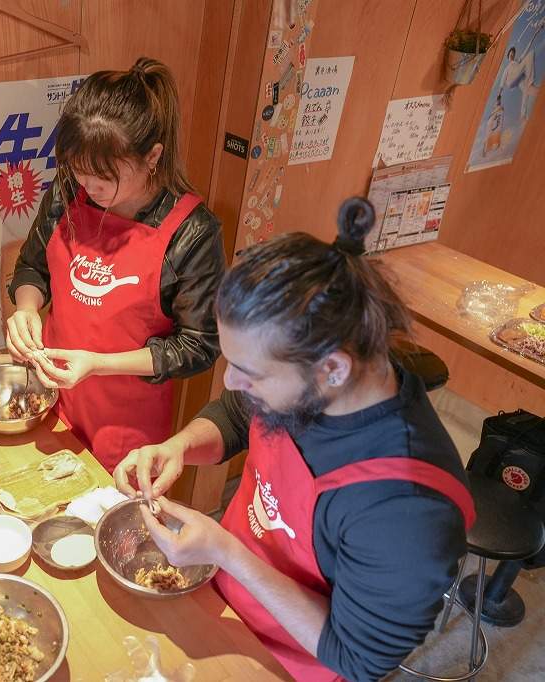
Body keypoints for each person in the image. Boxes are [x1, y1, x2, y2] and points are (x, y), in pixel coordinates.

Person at [114, 198, 475, 682]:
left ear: (332, 367)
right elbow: (238, 416)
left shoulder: (407, 512)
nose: (230, 382)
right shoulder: (307, 384)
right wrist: (179, 446)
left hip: (293, 663)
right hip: (223, 600)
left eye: (249, 372)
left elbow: (357, 657)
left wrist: (226, 552)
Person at [6, 57, 225, 471]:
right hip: (52, 405)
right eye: (77, 169)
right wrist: (26, 307)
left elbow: (199, 345)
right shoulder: (71, 190)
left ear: (152, 156)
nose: (87, 186)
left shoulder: (192, 233)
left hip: (128, 432)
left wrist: (98, 364)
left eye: (103, 177)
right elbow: (33, 267)